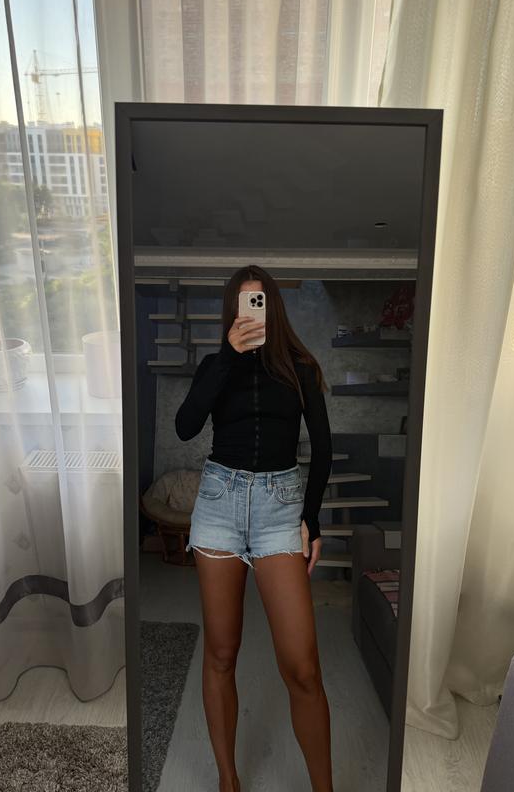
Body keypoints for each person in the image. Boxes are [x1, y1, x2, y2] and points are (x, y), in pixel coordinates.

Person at [175, 265, 334, 792]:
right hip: (219, 505)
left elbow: (323, 446)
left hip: (279, 510)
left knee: (303, 667)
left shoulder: (300, 368)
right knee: (221, 654)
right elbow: (185, 426)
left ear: (272, 308)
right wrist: (228, 357)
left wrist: (311, 520)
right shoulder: (214, 365)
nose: (252, 312)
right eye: (243, 303)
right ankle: (229, 780)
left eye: (259, 301)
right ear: (232, 310)